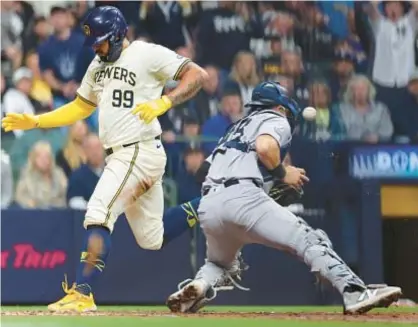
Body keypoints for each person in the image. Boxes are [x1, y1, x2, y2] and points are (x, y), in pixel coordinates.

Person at [2, 6, 207, 312]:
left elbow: (197, 75)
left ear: (118, 34)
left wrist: (166, 101)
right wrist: (36, 122)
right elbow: (79, 107)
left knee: (98, 213)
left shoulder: (145, 53)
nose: (97, 48)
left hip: (137, 149)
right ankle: (210, 204)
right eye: (94, 43)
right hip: (126, 155)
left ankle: (83, 294)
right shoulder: (98, 65)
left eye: (101, 41)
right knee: (153, 237)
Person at [166, 81, 402, 315]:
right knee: (311, 240)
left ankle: (197, 286)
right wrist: (282, 173)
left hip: (209, 205)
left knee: (219, 264)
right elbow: (265, 146)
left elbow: (201, 174)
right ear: (279, 106)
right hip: (244, 198)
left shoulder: (234, 129)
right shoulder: (275, 118)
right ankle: (355, 292)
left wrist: (259, 181)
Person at [15, 141, 67, 209]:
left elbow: (65, 195)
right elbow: (20, 196)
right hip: (34, 214)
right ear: (33, 159)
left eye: (46, 157)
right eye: (40, 157)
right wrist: (29, 203)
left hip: (57, 212)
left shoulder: (59, 174)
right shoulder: (26, 174)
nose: (44, 160)